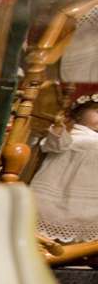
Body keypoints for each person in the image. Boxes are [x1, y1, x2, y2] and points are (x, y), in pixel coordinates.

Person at [30, 95, 98, 243]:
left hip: (91, 196)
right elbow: (56, 144)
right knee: (58, 212)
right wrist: (58, 129)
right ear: (79, 115)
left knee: (87, 219)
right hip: (62, 190)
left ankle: (80, 245)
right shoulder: (72, 135)